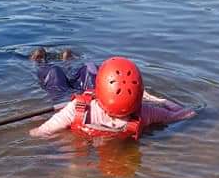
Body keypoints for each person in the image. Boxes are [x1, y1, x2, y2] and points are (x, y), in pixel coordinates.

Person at [29, 56, 195, 139]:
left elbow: (39, 132)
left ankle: (41, 61)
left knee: (54, 74)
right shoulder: (145, 113)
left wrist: (38, 125)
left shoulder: (76, 110)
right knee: (90, 68)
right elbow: (187, 114)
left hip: (66, 99)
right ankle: (68, 59)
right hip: (91, 94)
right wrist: (158, 100)